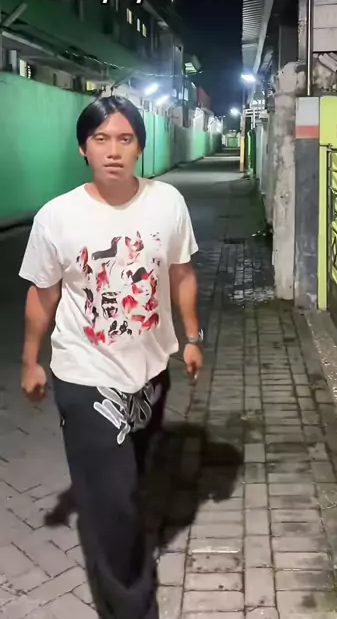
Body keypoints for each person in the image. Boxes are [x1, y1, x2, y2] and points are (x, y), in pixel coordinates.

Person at [19, 95, 203, 619]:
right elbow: (43, 295)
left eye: (125, 139)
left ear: (140, 146)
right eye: (101, 139)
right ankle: (131, 606)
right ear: (84, 148)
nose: (113, 151)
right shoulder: (57, 217)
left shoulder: (167, 202)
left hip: (150, 374)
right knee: (112, 503)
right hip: (85, 377)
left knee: (132, 483)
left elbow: (182, 274)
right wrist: (30, 359)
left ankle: (125, 546)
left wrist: (193, 337)